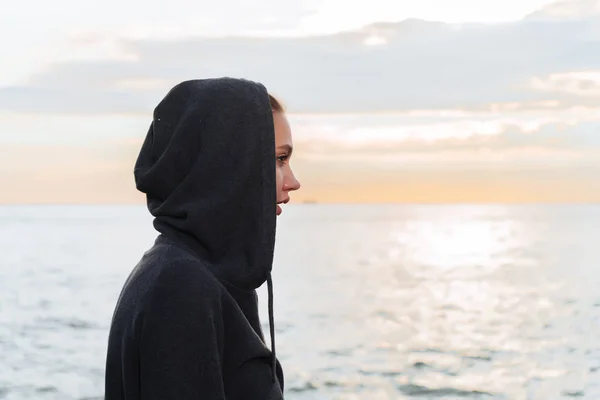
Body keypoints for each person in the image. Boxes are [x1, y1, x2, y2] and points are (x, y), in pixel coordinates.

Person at [104, 77, 301, 399]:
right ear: (227, 165)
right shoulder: (181, 285)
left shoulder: (213, 274)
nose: (293, 181)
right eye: (278, 159)